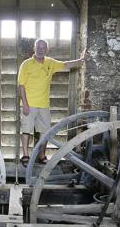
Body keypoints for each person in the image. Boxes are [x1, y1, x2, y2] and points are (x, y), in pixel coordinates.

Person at [17, 38, 87, 166]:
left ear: (46, 50)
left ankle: (41, 155)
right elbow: (21, 85)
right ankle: (26, 155)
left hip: (44, 105)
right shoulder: (26, 64)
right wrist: (25, 104)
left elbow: (66, 65)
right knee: (26, 130)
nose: (40, 50)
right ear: (34, 48)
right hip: (29, 104)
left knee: (45, 132)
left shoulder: (50, 63)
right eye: (38, 47)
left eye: (43, 48)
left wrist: (80, 61)